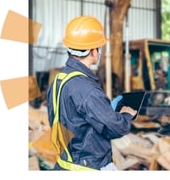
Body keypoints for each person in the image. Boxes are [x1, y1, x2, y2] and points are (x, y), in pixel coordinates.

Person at [46, 15, 137, 171]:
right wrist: (126, 115)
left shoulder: (58, 81)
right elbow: (115, 128)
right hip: (88, 167)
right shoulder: (87, 89)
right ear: (94, 51)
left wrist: (104, 110)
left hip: (65, 164)